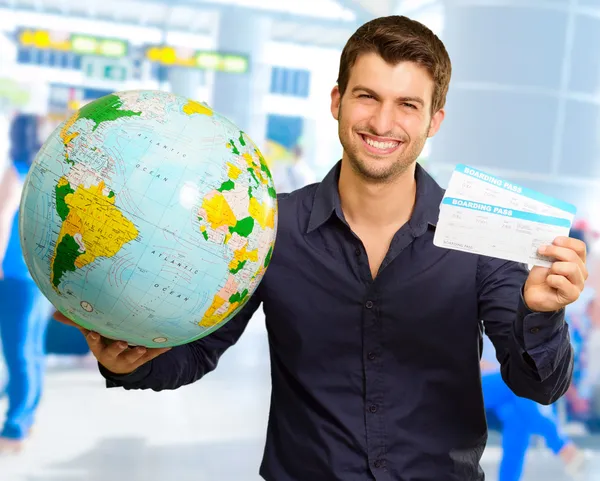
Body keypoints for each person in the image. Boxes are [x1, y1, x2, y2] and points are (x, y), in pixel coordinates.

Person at [54, 16, 587, 480]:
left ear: (433, 121)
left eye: (407, 105)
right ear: (336, 101)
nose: (383, 123)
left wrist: (543, 316)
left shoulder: (477, 236)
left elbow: (538, 386)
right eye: (367, 96)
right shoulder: (268, 225)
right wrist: (130, 362)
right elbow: (196, 353)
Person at [0, 113, 53, 453]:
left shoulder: (15, 174)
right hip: (40, 277)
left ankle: (14, 428)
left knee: (18, 352)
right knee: (32, 350)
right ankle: (26, 417)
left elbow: (3, 220)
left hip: (15, 277)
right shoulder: (45, 177)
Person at [480, 336, 585, 480]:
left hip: (505, 393)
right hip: (470, 385)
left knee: (516, 416)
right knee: (521, 381)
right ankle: (561, 445)